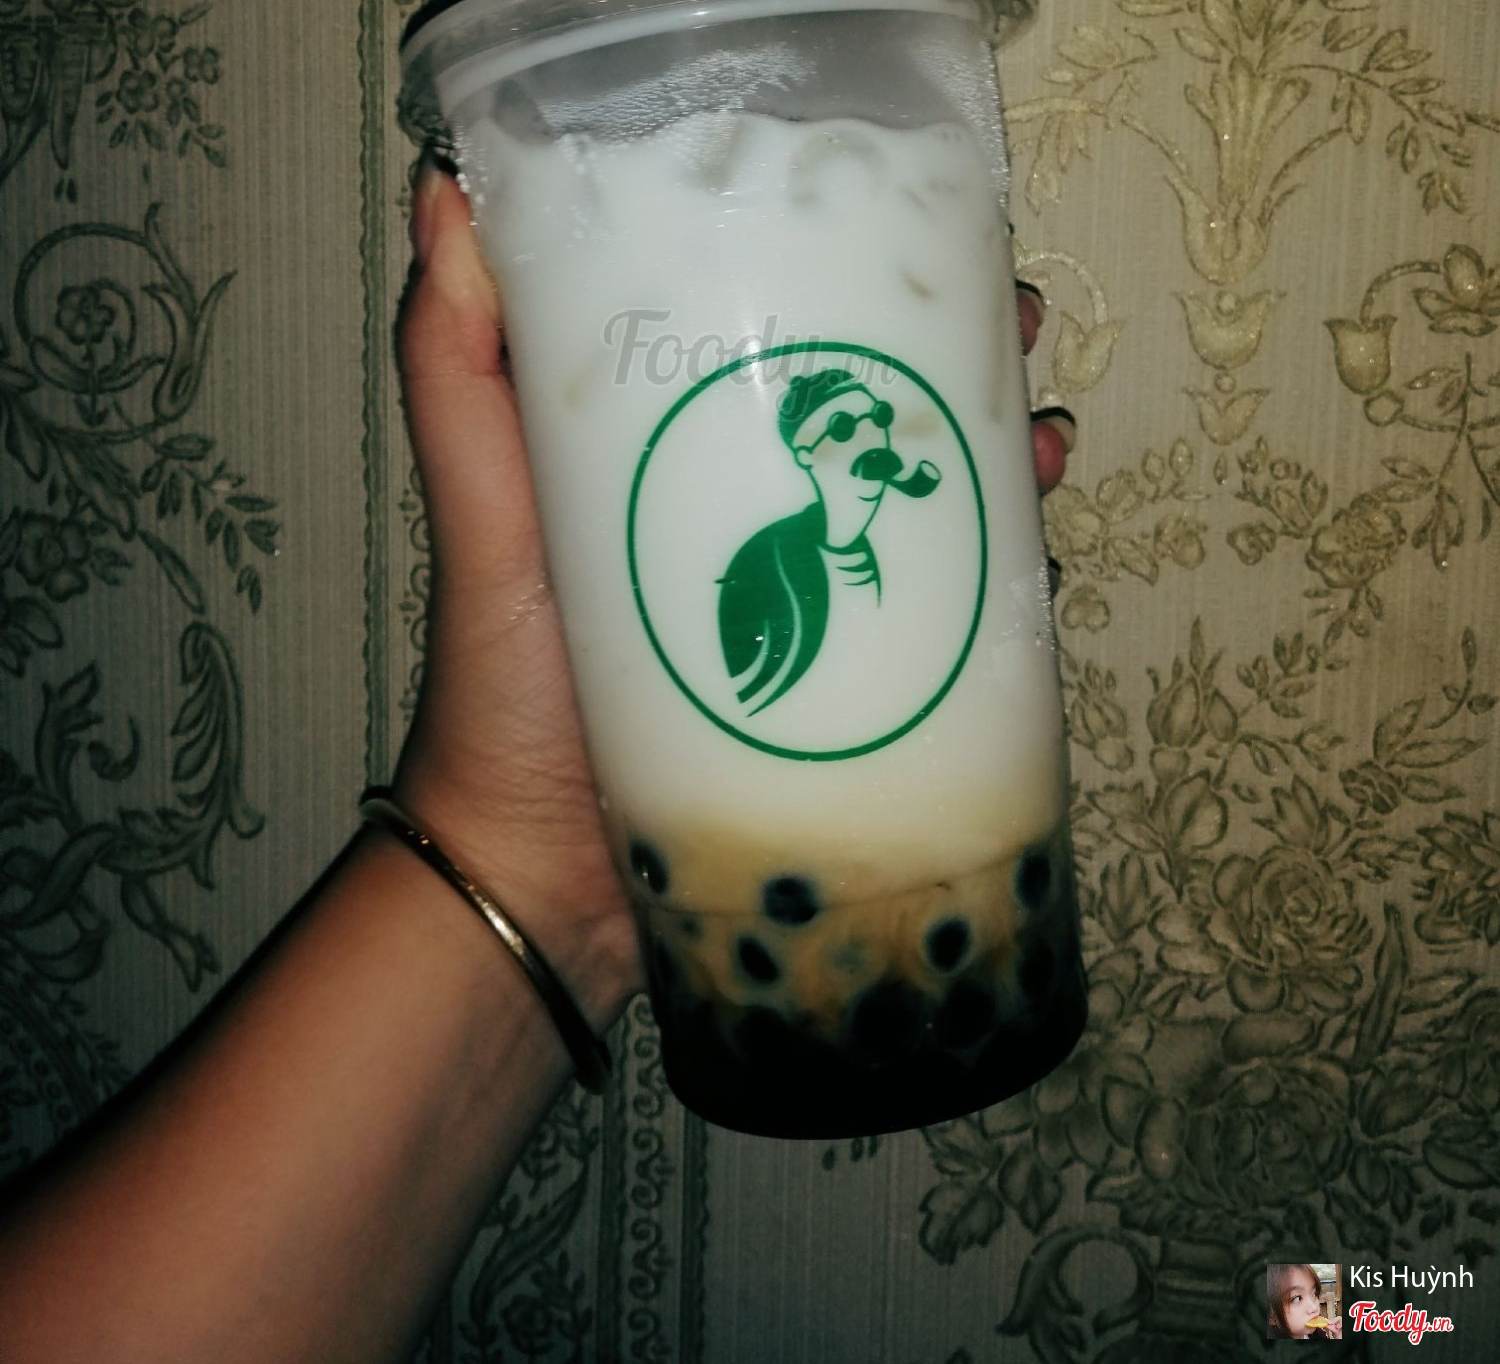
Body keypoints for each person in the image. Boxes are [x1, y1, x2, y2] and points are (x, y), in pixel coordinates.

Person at [0, 157, 1075, 1364]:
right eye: (842, 430)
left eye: (877, 426)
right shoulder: (761, 575)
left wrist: (536, 860)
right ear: (807, 448)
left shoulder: (897, 536)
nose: (872, 443)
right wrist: (545, 839)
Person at [1266, 1263, 1343, 1340]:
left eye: (1314, 1294)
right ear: (1271, 1316)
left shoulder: (1319, 1333)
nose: (1314, 1308)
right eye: (1297, 1298)